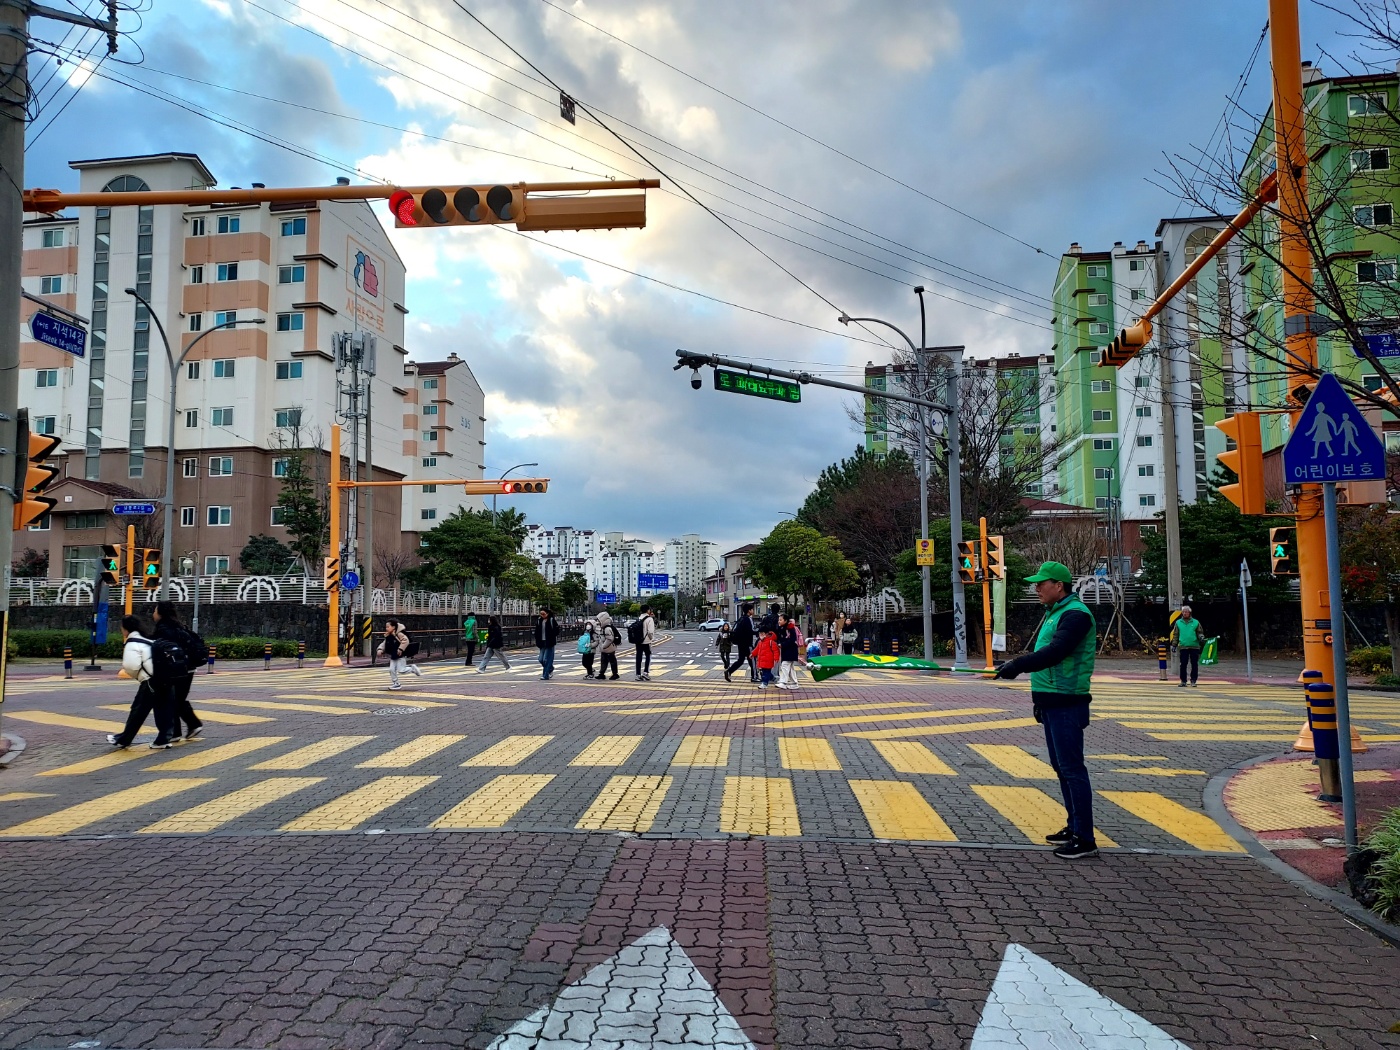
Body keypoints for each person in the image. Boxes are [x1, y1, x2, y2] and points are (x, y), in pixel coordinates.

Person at [993, 561, 1099, 861]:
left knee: (1072, 769)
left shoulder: (1075, 615)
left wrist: (1017, 665)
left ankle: (1085, 838)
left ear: (1059, 586)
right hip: (1052, 702)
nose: (1036, 588)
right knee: (1061, 768)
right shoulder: (1055, 613)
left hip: (1067, 701)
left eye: (1042, 583)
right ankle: (1074, 826)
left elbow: (1056, 653)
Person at [106, 615, 180, 749]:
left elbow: (131, 666)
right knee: (164, 710)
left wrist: (138, 675)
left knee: (138, 711)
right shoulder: (148, 640)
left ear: (126, 629)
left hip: (149, 681)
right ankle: (163, 739)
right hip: (166, 678)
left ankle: (124, 739)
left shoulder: (132, 643)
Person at [153, 600, 204, 741]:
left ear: (161, 613)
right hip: (187, 667)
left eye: (155, 610)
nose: (153, 613)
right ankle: (176, 732)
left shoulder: (164, 629)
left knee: (174, 699)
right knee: (175, 698)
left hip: (177, 669)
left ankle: (192, 724)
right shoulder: (180, 627)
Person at [377, 619, 417, 690]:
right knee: (391, 670)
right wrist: (380, 649)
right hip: (394, 655)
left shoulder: (399, 634)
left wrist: (401, 649)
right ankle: (396, 684)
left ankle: (412, 669)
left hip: (400, 655)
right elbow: (384, 643)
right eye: (386, 627)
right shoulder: (388, 635)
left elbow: (405, 640)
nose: (386, 628)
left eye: (388, 627)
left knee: (401, 670)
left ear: (393, 627)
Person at [1171, 606, 1203, 688]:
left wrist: (1201, 637)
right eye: (1183, 612)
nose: (1185, 613)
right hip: (1183, 646)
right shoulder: (1178, 622)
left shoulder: (1195, 622)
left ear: (1189, 613)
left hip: (1194, 646)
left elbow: (1199, 632)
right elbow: (1176, 635)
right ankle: (1183, 681)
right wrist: (1174, 644)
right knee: (1183, 664)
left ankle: (1193, 680)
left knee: (1194, 664)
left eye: (1186, 612)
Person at [725, 604, 757, 682]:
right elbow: (750, 631)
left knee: (741, 660)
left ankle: (729, 671)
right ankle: (754, 677)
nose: (753, 611)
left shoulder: (741, 619)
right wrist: (758, 632)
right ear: (749, 611)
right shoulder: (747, 619)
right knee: (752, 659)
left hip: (741, 643)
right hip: (747, 643)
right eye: (752, 609)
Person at [535, 607, 560, 680]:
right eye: (541, 614)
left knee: (546, 659)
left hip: (549, 642)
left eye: (543, 614)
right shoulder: (539, 621)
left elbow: (557, 630)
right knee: (540, 659)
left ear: (547, 614)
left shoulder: (551, 620)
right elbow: (537, 631)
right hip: (541, 642)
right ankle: (550, 668)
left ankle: (545, 675)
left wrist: (551, 637)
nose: (542, 615)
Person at [595, 608, 621, 680]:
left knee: (611, 661)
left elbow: (609, 639)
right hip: (606, 648)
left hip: (609, 648)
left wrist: (603, 646)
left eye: (599, 620)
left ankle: (615, 674)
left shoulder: (607, 628)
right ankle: (602, 673)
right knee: (604, 661)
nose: (598, 622)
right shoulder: (604, 628)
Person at [777, 617, 801, 689]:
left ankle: (783, 682)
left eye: (781, 620)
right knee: (790, 668)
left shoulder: (790, 628)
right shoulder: (782, 628)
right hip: (788, 650)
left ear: (785, 620)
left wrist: (782, 644)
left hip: (790, 650)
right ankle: (794, 683)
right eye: (779, 620)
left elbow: (792, 639)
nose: (779, 621)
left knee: (785, 665)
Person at [634, 604, 656, 681]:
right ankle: (645, 672)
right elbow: (650, 631)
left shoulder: (639, 618)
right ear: (648, 610)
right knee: (648, 656)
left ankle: (638, 674)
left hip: (638, 641)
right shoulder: (649, 619)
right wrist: (651, 639)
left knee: (638, 657)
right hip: (646, 641)